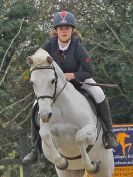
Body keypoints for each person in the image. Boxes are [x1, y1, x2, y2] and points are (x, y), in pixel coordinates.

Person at [22, 11, 118, 164]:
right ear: (56, 31)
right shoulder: (49, 45)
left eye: (67, 28)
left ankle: (108, 133)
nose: (64, 31)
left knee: (99, 93)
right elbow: (37, 60)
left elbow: (89, 71)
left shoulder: (77, 46)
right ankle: (35, 148)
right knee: (36, 104)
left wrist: (72, 75)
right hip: (55, 86)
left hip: (78, 81)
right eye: (61, 28)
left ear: (72, 30)